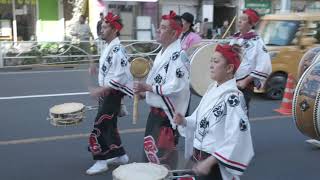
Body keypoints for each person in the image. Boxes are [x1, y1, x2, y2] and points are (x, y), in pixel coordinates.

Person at [174, 44, 254, 180]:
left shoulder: (232, 98)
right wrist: (185, 121)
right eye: (211, 61)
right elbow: (202, 120)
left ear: (229, 68)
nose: (211, 65)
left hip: (214, 163)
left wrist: (209, 162)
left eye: (216, 62)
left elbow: (237, 137)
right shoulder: (212, 88)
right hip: (199, 158)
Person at [133, 10, 190, 169]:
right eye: (160, 27)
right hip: (156, 114)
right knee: (151, 153)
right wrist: (144, 93)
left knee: (162, 158)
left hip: (167, 115)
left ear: (173, 33)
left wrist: (148, 87)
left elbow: (175, 86)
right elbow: (159, 82)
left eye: (163, 28)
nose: (158, 30)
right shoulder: (162, 52)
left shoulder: (180, 55)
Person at [86, 12, 133, 175]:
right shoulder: (110, 47)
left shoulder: (118, 49)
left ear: (114, 30)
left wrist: (101, 89)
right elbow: (111, 70)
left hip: (112, 94)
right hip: (108, 94)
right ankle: (120, 155)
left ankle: (100, 160)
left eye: (105, 27)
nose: (102, 30)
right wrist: (96, 68)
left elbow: (120, 76)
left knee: (100, 125)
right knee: (109, 126)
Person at [230, 9, 271, 109]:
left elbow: (265, 65)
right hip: (230, 83)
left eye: (243, 19)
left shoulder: (257, 41)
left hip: (242, 85)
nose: (239, 21)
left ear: (251, 23)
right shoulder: (236, 38)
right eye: (239, 19)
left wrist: (246, 81)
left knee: (240, 116)